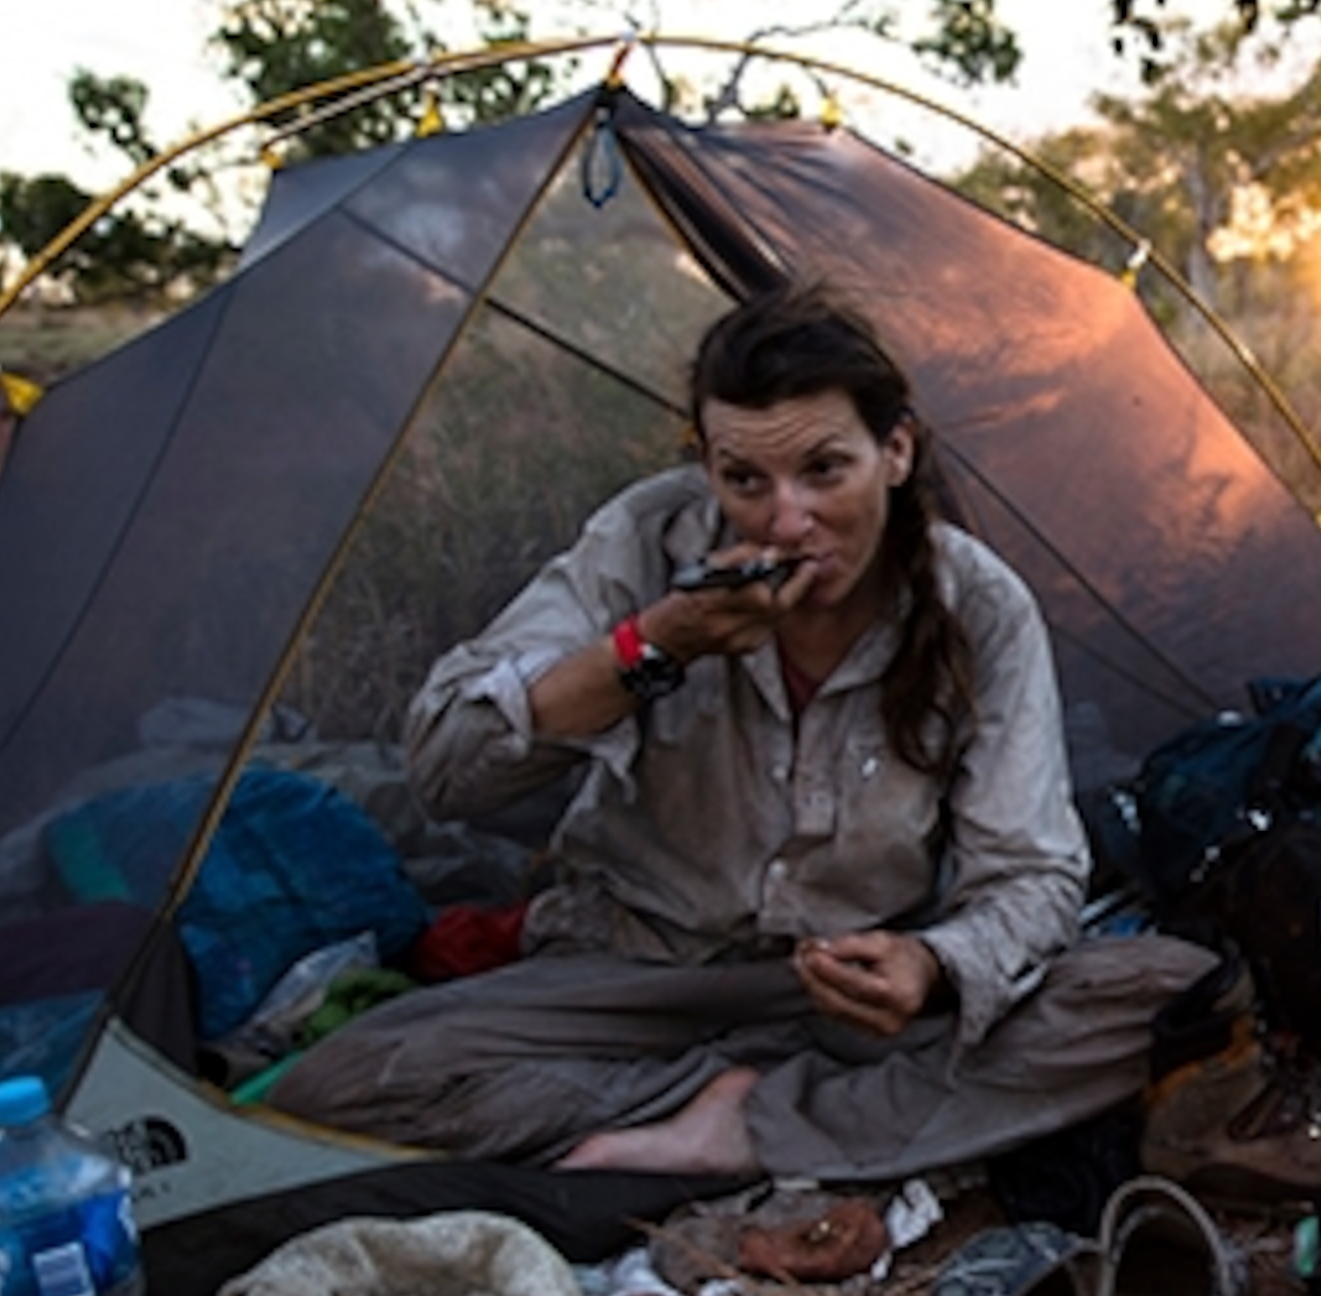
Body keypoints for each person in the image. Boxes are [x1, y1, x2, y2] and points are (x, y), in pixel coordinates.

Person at [272, 282, 1249, 1185]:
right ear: (705, 466)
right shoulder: (644, 544)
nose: (786, 522)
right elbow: (446, 767)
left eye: (825, 471)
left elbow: (1031, 875)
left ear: (895, 453)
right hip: (635, 974)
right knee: (340, 1086)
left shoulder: (978, 606)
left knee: (1167, 991)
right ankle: (782, 1124)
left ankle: (729, 1132)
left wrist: (931, 963)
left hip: (849, 997)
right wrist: (653, 646)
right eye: (744, 480)